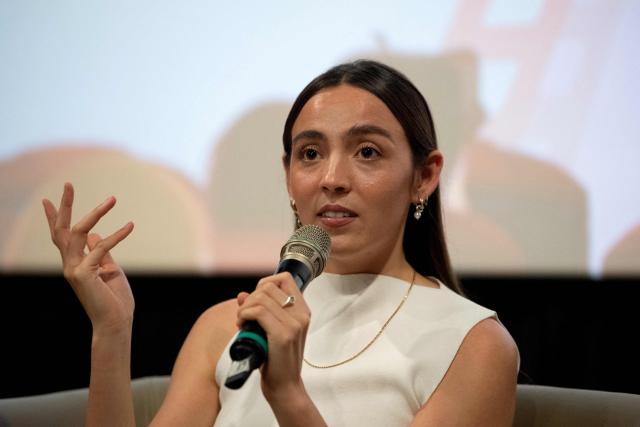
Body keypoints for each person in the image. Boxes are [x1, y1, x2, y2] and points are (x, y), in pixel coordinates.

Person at [42, 59, 519, 426]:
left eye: (367, 152)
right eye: (310, 154)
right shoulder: (225, 326)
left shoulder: (473, 344)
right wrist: (112, 331)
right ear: (289, 178)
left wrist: (290, 396)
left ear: (425, 176)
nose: (331, 178)